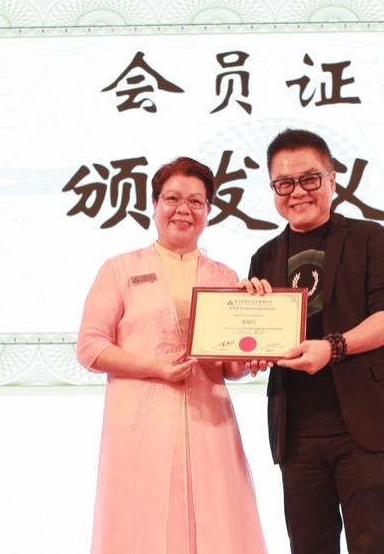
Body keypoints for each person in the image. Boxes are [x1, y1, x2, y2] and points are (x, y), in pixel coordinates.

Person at [76, 157, 267, 554]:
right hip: (141, 425)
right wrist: (153, 367)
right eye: (173, 198)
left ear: (209, 210)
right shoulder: (120, 270)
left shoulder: (225, 277)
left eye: (196, 202)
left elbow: (230, 366)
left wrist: (254, 354)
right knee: (142, 523)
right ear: (155, 204)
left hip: (209, 423)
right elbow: (90, 346)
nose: (184, 209)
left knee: (217, 522)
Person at [241, 128, 384, 554]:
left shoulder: (369, 238)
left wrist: (333, 347)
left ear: (332, 179)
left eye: (309, 179)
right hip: (296, 429)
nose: (297, 192)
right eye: (284, 183)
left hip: (363, 422)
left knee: (371, 543)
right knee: (308, 545)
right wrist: (251, 350)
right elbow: (258, 335)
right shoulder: (264, 257)